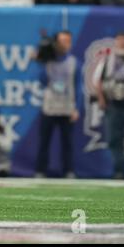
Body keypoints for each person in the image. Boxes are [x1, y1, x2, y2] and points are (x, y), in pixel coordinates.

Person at [35, 31, 81, 178]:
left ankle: (68, 171)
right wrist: (41, 61)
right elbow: (42, 81)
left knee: (67, 144)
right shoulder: (48, 62)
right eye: (61, 41)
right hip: (49, 108)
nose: (64, 44)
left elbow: (79, 87)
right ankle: (41, 170)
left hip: (67, 109)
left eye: (67, 41)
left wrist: (77, 108)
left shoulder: (74, 63)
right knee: (44, 142)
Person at [95, 32, 124, 179]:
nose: (122, 43)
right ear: (115, 42)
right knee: (114, 139)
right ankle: (119, 171)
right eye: (119, 40)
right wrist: (101, 99)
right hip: (114, 105)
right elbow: (98, 81)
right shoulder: (107, 60)